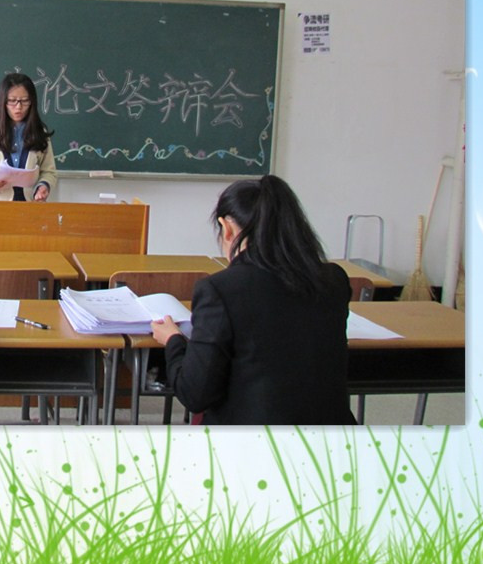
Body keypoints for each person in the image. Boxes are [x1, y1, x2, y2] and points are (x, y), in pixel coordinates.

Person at [150, 175, 355, 425]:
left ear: (227, 228)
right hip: (332, 441)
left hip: (253, 441)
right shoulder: (334, 279)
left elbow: (194, 394)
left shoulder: (220, 289)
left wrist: (174, 340)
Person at [0, 72, 57, 201]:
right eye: (12, 101)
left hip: (30, 207)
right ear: (3, 102)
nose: (18, 107)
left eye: (24, 101)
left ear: (32, 102)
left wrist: (43, 186)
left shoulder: (40, 133)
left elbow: (49, 172)